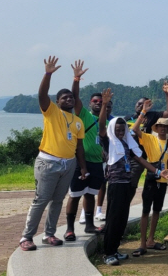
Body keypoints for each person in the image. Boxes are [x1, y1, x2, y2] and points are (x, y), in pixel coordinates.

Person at [96, 88, 168, 266]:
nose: (119, 132)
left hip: (126, 184)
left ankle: (115, 250)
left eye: (122, 129)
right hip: (115, 185)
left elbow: (140, 159)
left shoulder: (127, 144)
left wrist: (158, 172)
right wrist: (103, 105)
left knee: (122, 218)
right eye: (116, 129)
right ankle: (108, 252)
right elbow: (101, 126)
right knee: (113, 217)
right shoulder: (108, 142)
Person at [18, 57, 88, 251]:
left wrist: (82, 166)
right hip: (48, 163)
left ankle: (49, 234)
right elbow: (42, 94)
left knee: (57, 201)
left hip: (69, 164)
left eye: (71, 97)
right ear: (57, 102)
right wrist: (48, 74)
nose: (68, 99)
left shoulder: (77, 121)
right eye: (63, 98)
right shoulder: (52, 112)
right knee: (41, 200)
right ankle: (26, 237)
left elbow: (79, 146)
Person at [62, 61, 105, 239]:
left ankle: (89, 225)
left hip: (97, 163)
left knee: (90, 195)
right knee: (75, 194)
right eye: (95, 101)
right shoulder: (83, 114)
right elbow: (75, 96)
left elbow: (105, 133)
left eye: (101, 102)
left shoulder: (106, 121)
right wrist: (76, 79)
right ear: (89, 103)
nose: (98, 103)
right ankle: (69, 228)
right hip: (81, 162)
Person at [130, 100, 168, 257]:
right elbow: (135, 129)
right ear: (156, 128)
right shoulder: (150, 139)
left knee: (156, 211)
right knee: (145, 211)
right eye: (160, 127)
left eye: (165, 127)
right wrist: (143, 112)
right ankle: (142, 243)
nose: (162, 129)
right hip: (151, 179)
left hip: (163, 182)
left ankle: (151, 240)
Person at [125, 81, 168, 197]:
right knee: (122, 184)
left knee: (132, 185)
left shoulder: (151, 116)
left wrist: (167, 95)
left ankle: (125, 208)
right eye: (138, 103)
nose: (140, 106)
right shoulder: (127, 118)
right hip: (125, 155)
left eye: (143, 104)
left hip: (139, 157)